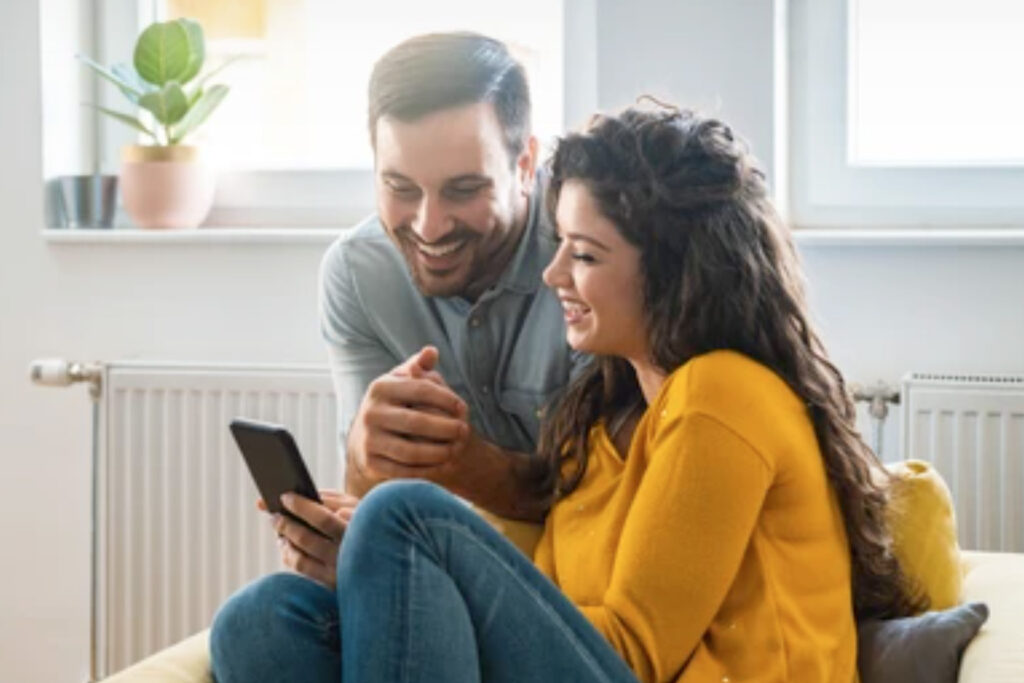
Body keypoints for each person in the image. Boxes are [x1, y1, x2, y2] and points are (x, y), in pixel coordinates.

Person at [211, 105, 928, 682]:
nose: (554, 272)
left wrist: (397, 546)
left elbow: (634, 656)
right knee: (264, 617)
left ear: (676, 272)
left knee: (407, 517)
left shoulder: (723, 394)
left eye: (584, 254)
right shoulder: (598, 426)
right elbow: (535, 632)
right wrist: (374, 575)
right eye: (558, 243)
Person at [260, 32, 584, 589]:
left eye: (463, 189)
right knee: (261, 615)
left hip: (566, 579)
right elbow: (370, 491)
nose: (428, 226)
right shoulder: (359, 275)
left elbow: (610, 506)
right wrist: (349, 507)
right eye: (400, 187)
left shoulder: (589, 254)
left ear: (525, 162)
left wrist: (465, 464)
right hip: (442, 567)